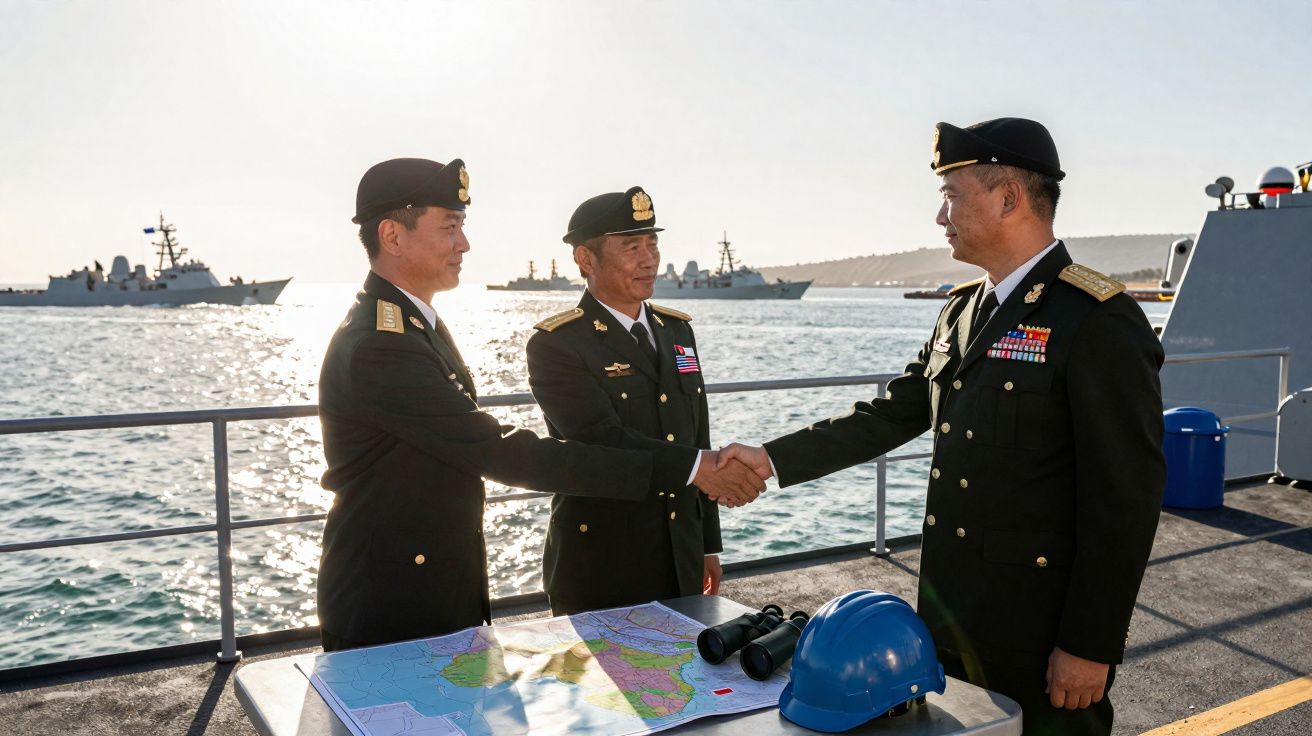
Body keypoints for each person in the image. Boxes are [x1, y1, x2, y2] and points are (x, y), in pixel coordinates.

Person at [719, 118, 1165, 735]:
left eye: (951, 196)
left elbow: (1125, 499)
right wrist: (770, 459)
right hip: (949, 619)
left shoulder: (1096, 319)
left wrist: (1090, 644)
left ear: (1009, 197)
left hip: (1039, 633)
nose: (940, 217)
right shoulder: (962, 310)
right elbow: (894, 412)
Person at [316, 158, 763, 652]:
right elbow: (496, 449)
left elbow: (692, 428)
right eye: (450, 227)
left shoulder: (415, 325)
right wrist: (696, 469)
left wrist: (704, 528)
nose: (464, 244)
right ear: (392, 236)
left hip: (431, 580)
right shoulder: (382, 343)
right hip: (390, 600)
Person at [526, 186, 754, 614]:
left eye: (652, 244)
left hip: (681, 554)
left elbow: (698, 435)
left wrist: (708, 545)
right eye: (632, 247)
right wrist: (700, 469)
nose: (649, 259)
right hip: (604, 562)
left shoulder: (677, 330)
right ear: (586, 259)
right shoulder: (557, 344)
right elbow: (601, 439)